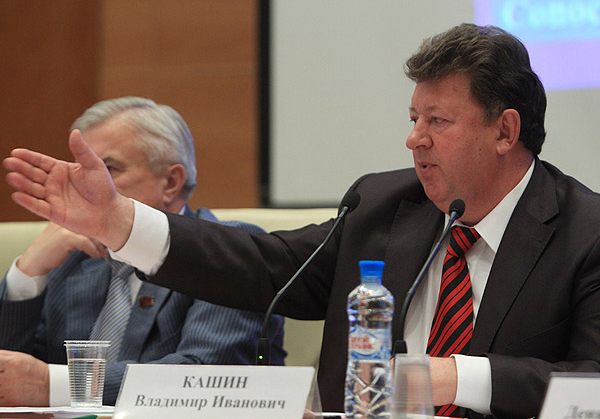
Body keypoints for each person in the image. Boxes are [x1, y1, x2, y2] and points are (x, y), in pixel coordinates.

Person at [4, 24, 600, 418]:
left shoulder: (585, 233)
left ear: (505, 130)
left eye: (437, 121)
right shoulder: (383, 205)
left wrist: (453, 378)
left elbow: (593, 384)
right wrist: (118, 221)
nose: (414, 138)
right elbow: (265, 265)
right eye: (413, 118)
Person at [0, 96, 285, 407]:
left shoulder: (227, 253)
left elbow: (207, 377)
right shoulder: (75, 260)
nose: (86, 187)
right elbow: (13, 380)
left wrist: (55, 385)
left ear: (171, 182)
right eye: (81, 172)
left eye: (107, 169)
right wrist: (27, 273)